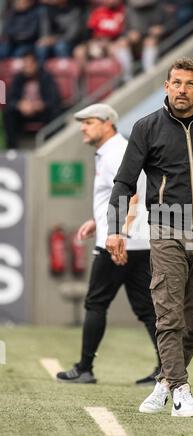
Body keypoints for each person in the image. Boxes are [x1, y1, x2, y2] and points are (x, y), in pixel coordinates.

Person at [106, 57, 193, 417]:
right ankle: (182, 391)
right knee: (168, 314)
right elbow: (124, 181)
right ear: (165, 86)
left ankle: (163, 384)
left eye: (190, 84)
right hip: (166, 226)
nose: (182, 90)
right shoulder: (147, 127)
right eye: (177, 83)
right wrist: (115, 229)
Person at [56, 103, 160, 385]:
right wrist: (96, 219)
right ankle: (165, 369)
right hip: (136, 241)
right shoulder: (112, 151)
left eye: (88, 122)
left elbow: (134, 195)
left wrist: (119, 235)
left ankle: (85, 367)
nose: (82, 128)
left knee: (95, 303)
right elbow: (117, 196)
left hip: (119, 242)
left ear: (106, 123)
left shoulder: (115, 151)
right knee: (147, 309)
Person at [3, 50, 60, 148]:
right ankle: (12, 149)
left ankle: (50, 146)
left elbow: (53, 99)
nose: (27, 67)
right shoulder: (18, 78)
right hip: (23, 113)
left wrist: (40, 105)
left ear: (36, 64)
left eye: (30, 64)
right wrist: (19, 105)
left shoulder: (46, 77)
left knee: (55, 113)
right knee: (8, 112)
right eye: (25, 64)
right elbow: (10, 99)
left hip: (42, 112)